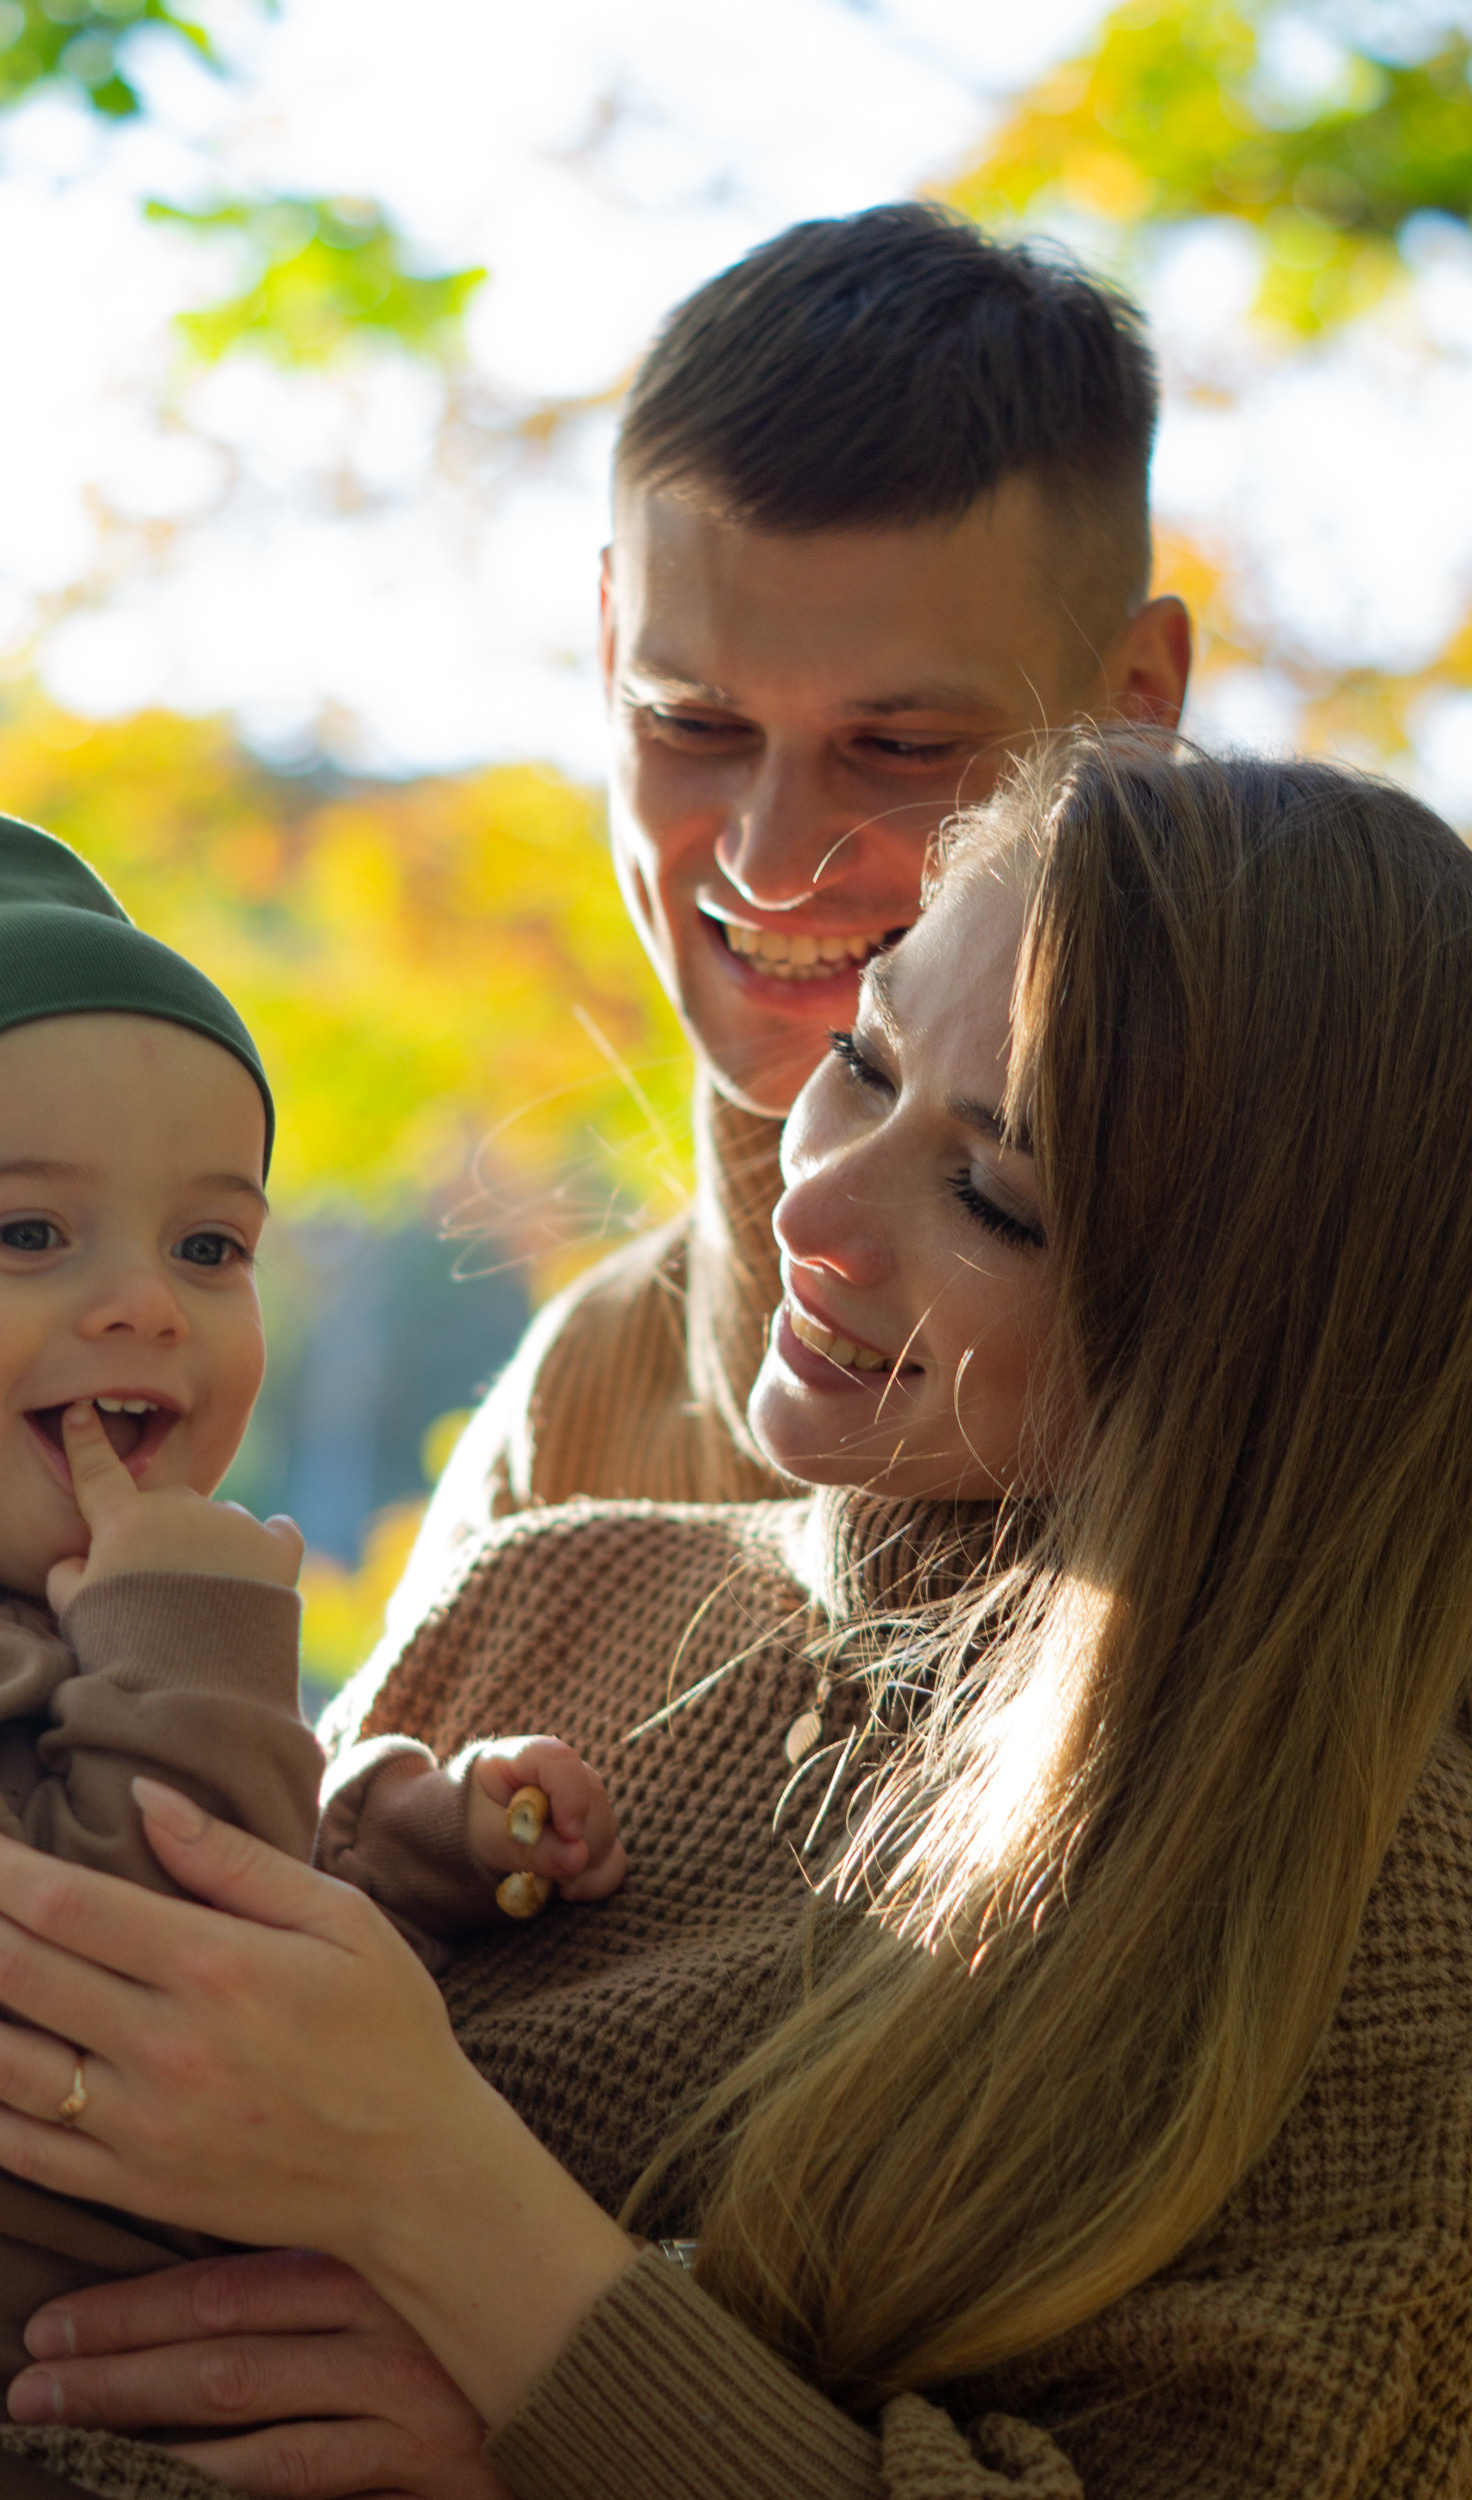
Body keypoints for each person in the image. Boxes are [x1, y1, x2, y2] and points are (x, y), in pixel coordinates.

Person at [0, 738, 1472, 2499]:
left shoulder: (1384, 1938)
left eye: (994, 1198)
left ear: (1261, 1341)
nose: (809, 1202)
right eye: (860, 1061)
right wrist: (376, 1830)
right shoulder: (548, 1591)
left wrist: (498, 2292)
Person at [0, 799, 622, 2484]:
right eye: (28, 1234)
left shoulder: (33, 1620)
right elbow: (159, 1993)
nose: (145, 1302)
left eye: (210, 1246)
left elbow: (183, 1869)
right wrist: (197, 1641)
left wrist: (388, 1841)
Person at [389, 199, 1191, 1624]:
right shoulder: (573, 1411)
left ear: (1132, 710)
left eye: (900, 747)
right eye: (690, 722)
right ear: (607, 643)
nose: (770, 864)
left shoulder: (1374, 1348)